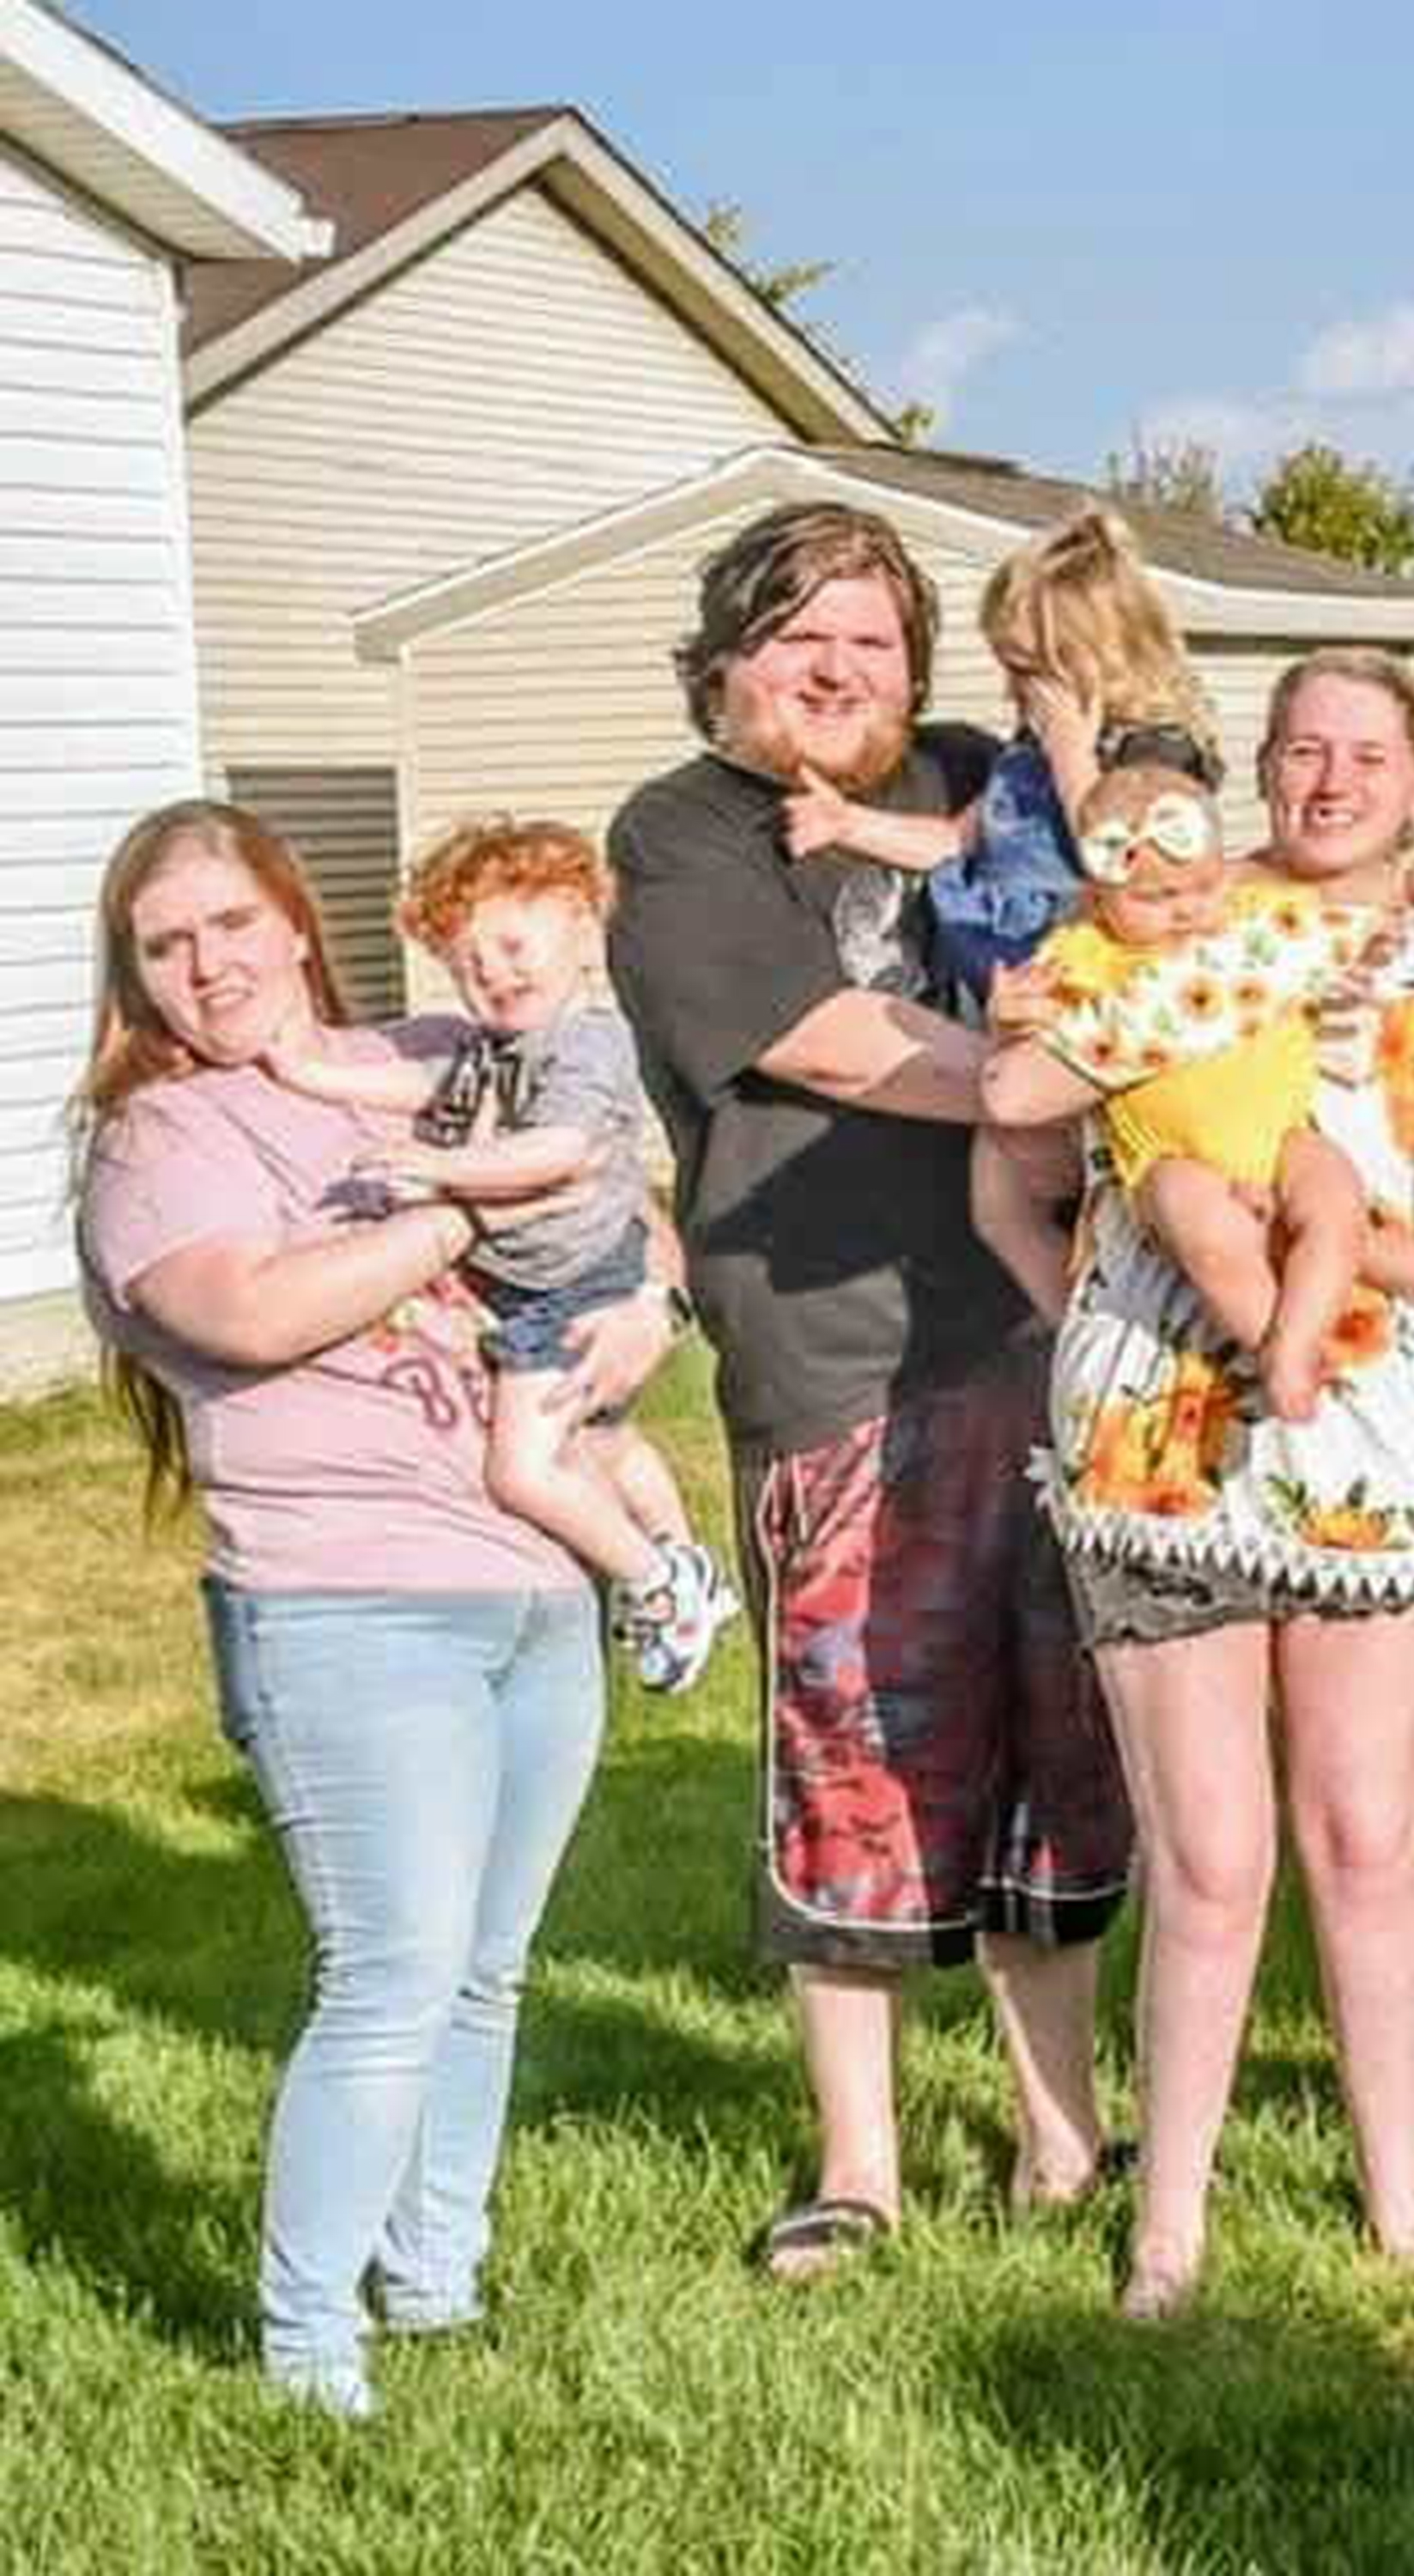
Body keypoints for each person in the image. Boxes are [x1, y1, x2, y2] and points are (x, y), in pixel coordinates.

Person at [73, 802, 674, 2419]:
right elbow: (257, 1312)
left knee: (487, 1971)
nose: (210, 966)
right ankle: (307, 2344)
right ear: (135, 977)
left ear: (295, 920)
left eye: (233, 924)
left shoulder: (431, 1053)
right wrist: (481, 1205)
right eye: (166, 946)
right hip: (346, 1603)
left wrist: (655, 1305)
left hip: (534, 1578)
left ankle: (436, 2281)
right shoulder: (159, 1140)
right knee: (392, 1975)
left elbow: (629, 1198)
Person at [606, 501, 1134, 2281]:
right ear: (725, 664)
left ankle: (1067, 2140)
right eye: (801, 639)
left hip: (1047, 1335)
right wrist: (1078, 1065)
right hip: (834, 1356)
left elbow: (1134, 842)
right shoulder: (685, 836)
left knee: (1061, 1752)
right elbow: (829, 1043)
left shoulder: (983, 774)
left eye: (875, 641)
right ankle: (861, 2167)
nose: (840, 672)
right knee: (858, 1750)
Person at [1022, 647, 1414, 2306]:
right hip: (1160, 1440)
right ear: (1260, 768)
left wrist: (1343, 1249)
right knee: (1212, 1856)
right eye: (1302, 748)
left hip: (1360, 1447)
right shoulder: (1163, 930)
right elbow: (1016, 1127)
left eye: (1368, 753)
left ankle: (1400, 2202)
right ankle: (1169, 2222)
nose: (1330, 780)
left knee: (1367, 1836)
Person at [258, 816, 736, 1689]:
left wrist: (442, 1171)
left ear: (582, 932)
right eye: (467, 964)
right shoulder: (498, 1048)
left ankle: (657, 1584)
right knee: (605, 1443)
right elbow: (424, 1085)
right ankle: (684, 1556)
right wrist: (313, 1076)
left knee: (522, 1471)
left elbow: (558, 1150)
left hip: (569, 1284)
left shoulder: (587, 1043)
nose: (494, 975)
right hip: (555, 1279)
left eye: (514, 947)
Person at [776, 506, 1225, 1321]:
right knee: (998, 1210)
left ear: (1093, 660)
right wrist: (849, 824)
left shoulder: (1154, 754)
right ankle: (1078, 1339)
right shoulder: (1022, 756)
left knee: (1106, 1196)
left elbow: (1123, 857)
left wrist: (1073, 753)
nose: (1013, 691)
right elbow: (953, 842)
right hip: (1013, 1010)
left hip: (1097, 1011)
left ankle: (1150, 1326)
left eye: (1028, 671)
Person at [977, 762, 1370, 1415]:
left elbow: (1335, 927)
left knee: (1337, 1201)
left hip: (1284, 1136)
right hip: (1170, 1156)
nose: (1186, 909)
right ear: (1099, 899)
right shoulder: (1085, 953)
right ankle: (1272, 1345)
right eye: (1154, 897)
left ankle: (1298, 1340)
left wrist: (1405, 885)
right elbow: (1026, 1059)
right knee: (1202, 1225)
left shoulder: (1250, 923)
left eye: (1203, 886)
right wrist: (1009, 1017)